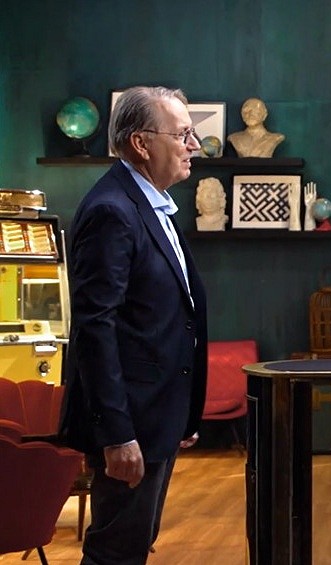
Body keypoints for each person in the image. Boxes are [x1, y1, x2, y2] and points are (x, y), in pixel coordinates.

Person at [60, 86, 209, 565]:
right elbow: (94, 328)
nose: (194, 145)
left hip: (157, 416)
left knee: (133, 547)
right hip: (130, 423)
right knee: (115, 554)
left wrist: (180, 413)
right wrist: (117, 435)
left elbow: (166, 317)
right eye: (182, 134)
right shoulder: (112, 210)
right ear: (142, 144)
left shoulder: (152, 203)